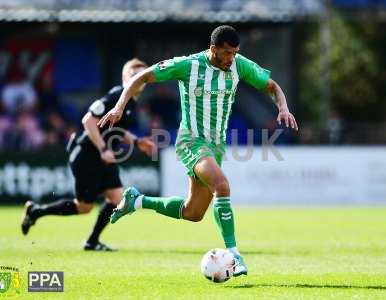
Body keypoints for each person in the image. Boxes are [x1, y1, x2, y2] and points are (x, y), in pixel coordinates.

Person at [99, 25, 298, 274]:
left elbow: (272, 86)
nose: (231, 58)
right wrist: (119, 107)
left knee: (193, 212)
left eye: (235, 53)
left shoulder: (239, 65)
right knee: (222, 186)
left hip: (216, 146)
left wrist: (283, 107)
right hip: (191, 141)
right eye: (226, 53)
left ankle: (137, 201)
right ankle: (235, 256)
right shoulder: (188, 65)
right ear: (213, 49)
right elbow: (142, 76)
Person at [21, 58, 155, 251]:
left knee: (117, 198)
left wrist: (136, 141)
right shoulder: (116, 95)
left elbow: (115, 128)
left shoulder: (131, 102)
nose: (138, 78)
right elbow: (88, 120)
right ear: (124, 78)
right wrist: (103, 149)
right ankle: (36, 211)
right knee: (84, 207)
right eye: (134, 74)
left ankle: (92, 241)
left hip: (103, 158)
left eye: (142, 75)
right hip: (88, 155)